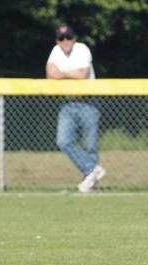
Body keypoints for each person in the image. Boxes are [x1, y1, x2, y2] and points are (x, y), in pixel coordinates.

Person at [46, 25, 105, 193]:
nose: (65, 41)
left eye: (69, 38)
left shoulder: (81, 49)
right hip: (68, 102)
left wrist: (61, 74)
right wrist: (71, 73)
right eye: (61, 38)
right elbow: (50, 75)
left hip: (88, 102)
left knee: (90, 145)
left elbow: (83, 74)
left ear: (74, 38)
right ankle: (92, 170)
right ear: (57, 40)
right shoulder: (56, 51)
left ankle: (90, 183)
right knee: (63, 140)